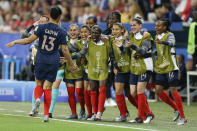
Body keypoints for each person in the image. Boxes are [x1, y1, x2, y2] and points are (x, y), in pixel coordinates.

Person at [6, 6, 77, 122]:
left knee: (39, 84)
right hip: (53, 60)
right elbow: (64, 50)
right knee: (48, 87)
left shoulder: (42, 27)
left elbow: (28, 40)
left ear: (49, 15)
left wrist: (15, 41)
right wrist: (72, 63)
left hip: (40, 58)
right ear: (59, 17)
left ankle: (38, 98)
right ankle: (45, 114)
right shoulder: (62, 31)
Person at [154, 18, 187, 125]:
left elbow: (172, 43)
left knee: (173, 89)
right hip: (160, 67)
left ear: (164, 27)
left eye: (159, 26)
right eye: (156, 25)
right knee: (158, 91)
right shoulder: (156, 36)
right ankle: (175, 108)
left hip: (170, 66)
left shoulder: (170, 34)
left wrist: (162, 42)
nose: (156, 27)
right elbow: (159, 51)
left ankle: (183, 117)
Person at [126, 18, 154, 124]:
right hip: (134, 66)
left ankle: (140, 116)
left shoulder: (147, 36)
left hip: (145, 66)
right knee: (133, 93)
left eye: (135, 25)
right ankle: (149, 113)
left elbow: (143, 50)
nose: (132, 27)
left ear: (140, 26)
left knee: (140, 91)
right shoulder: (131, 36)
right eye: (131, 25)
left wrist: (132, 46)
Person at [63, 24, 86, 119]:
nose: (73, 32)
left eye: (75, 30)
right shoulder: (65, 43)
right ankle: (73, 113)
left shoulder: (82, 43)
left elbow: (85, 55)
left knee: (79, 91)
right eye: (71, 30)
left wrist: (82, 61)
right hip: (69, 72)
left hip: (79, 71)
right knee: (71, 93)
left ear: (78, 32)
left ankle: (82, 109)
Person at [110, 22, 130, 122]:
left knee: (131, 94)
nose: (114, 31)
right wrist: (115, 66)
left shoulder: (127, 38)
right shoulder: (112, 40)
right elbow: (112, 55)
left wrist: (121, 45)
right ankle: (123, 114)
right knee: (118, 91)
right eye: (113, 29)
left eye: (117, 29)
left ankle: (145, 113)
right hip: (120, 70)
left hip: (130, 69)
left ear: (122, 30)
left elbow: (126, 50)